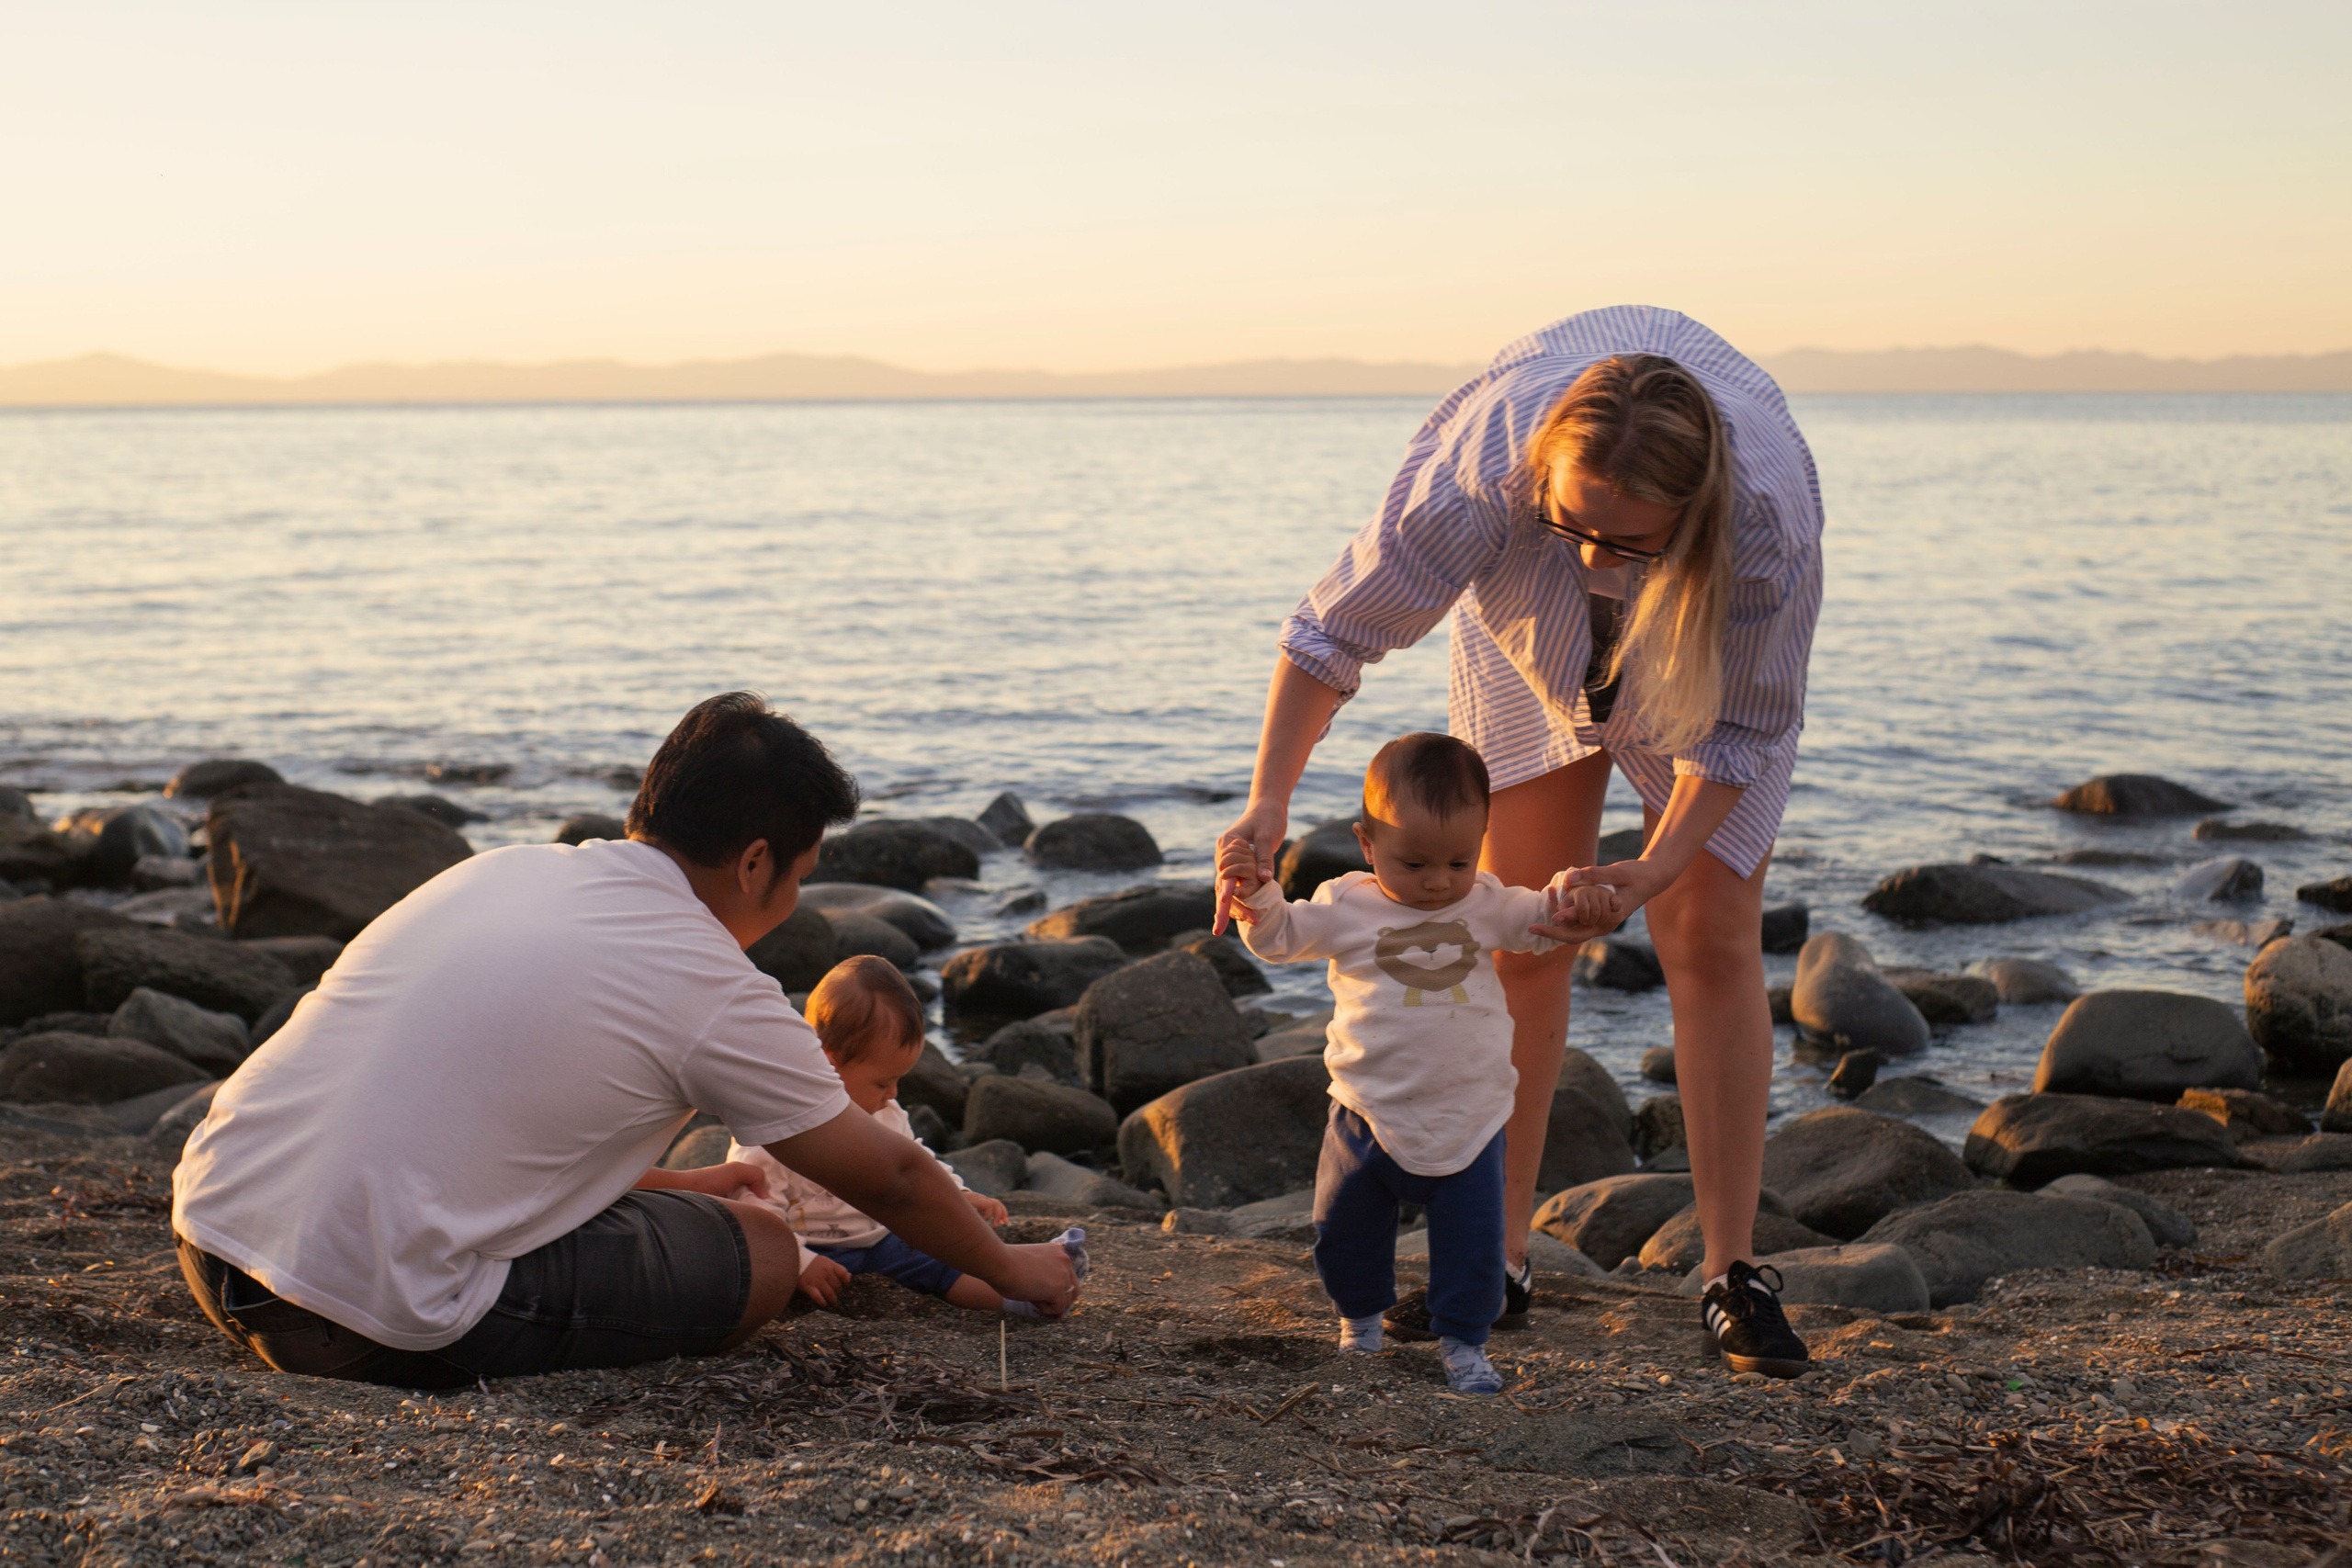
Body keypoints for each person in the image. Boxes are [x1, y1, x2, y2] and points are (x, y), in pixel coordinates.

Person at [1214, 306, 1825, 1379]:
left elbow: (1739, 734)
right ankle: (1495, 1262)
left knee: (1710, 935)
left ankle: (1729, 1272)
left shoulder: (1762, 532)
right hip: (1523, 635)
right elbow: (1334, 630)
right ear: (1540, 475)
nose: (1594, 555)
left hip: (1699, 642)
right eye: (1574, 523)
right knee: (1521, 938)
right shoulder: (1482, 472)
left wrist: (1651, 868)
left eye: (1624, 537)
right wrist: (1268, 803)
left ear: (1689, 513)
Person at [172, 692, 1082, 1387]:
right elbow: (887, 1175)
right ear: (755, 860)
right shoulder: (704, 978)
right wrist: (1015, 1268)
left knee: (703, 1209)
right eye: (800, 875)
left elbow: (489, 1124)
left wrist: (683, 1180)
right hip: (354, 1316)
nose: (795, 900)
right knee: (764, 1247)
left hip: (212, 1234)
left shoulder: (500, 872)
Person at [1220, 732, 1620, 1393]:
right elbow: (1280, 937)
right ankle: (1359, 1325)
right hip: (1367, 1107)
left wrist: (1579, 898)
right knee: (1343, 1228)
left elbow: (1541, 916)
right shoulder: (1347, 903)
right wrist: (1254, 894)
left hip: (1470, 1111)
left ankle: (1464, 1342)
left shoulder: (1485, 900)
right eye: (1413, 863)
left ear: (1482, 841)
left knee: (1473, 1245)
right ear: (1367, 842)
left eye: (1459, 860)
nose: (1438, 880)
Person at [722, 956, 1044, 1316]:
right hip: (815, 1249)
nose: (892, 1094)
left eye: (898, 1081)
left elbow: (915, 1163)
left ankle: (1024, 1301)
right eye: (881, 1082)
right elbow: (753, 1207)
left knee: (945, 1260)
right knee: (770, 1276)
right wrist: (801, 1261)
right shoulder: (776, 1125)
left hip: (884, 1238)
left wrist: (959, 1194)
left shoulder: (884, 1113)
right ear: (827, 1062)